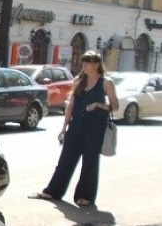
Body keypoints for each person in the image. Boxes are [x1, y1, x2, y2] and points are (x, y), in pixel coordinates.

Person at [28, 51, 119, 207]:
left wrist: (99, 105)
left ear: (96, 64)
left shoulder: (106, 82)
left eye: (87, 63)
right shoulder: (79, 81)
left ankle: (85, 196)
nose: (83, 66)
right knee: (66, 159)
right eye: (82, 63)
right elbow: (71, 105)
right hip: (76, 126)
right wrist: (64, 128)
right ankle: (53, 191)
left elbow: (115, 106)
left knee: (90, 162)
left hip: (95, 128)